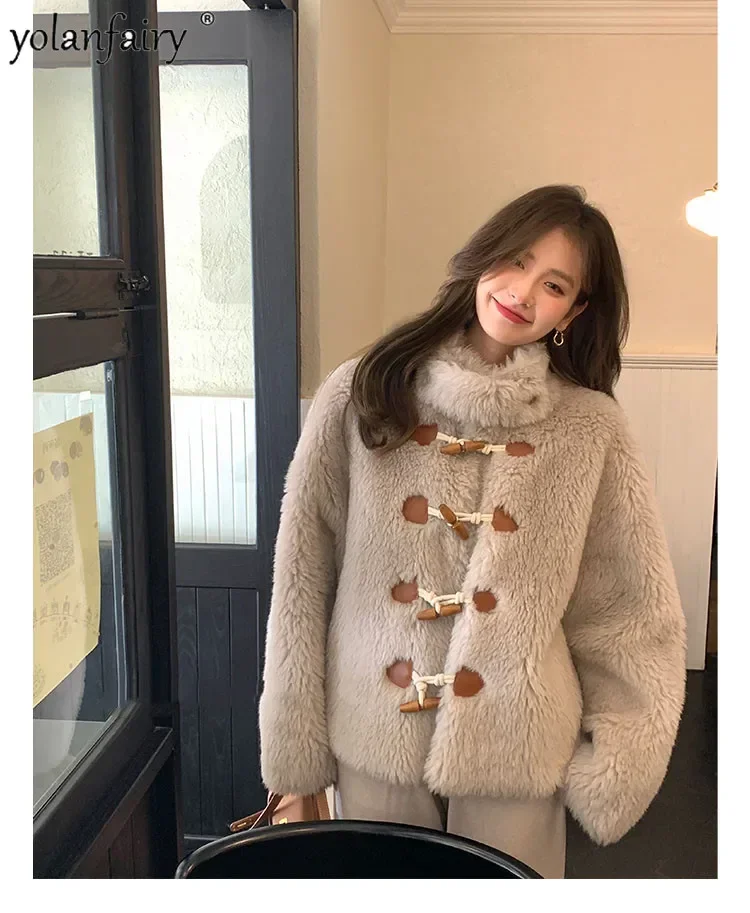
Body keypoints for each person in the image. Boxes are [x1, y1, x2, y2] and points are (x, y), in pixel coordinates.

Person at [258, 184, 687, 879]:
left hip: (516, 748)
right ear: (484, 255)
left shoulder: (591, 430)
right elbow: (304, 572)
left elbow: (628, 610)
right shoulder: (364, 389)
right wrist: (294, 741)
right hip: (372, 729)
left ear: (574, 311)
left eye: (554, 284)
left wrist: (618, 761)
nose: (523, 291)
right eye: (516, 260)